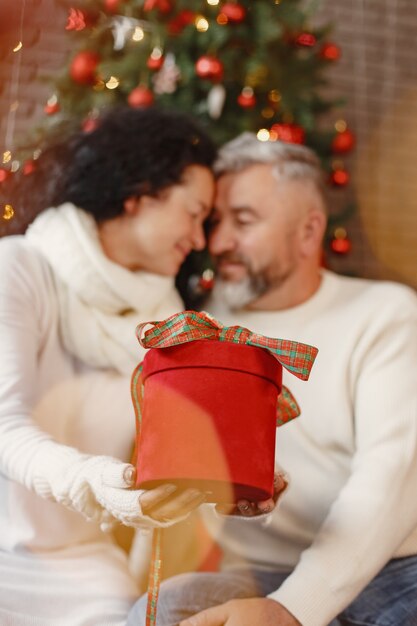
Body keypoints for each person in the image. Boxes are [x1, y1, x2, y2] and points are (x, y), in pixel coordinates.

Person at [128, 133, 417, 626]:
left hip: (392, 572)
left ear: (309, 232)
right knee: (163, 610)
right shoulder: (195, 328)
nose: (216, 244)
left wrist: (291, 611)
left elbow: (390, 478)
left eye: (243, 221)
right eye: (215, 223)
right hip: (258, 573)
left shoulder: (384, 314)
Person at [0, 106, 219, 625]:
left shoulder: (171, 327)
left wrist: (233, 477)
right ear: (139, 192)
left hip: (82, 567)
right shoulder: (20, 269)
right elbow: (4, 427)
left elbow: (165, 462)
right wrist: (93, 482)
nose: (201, 240)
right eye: (194, 213)